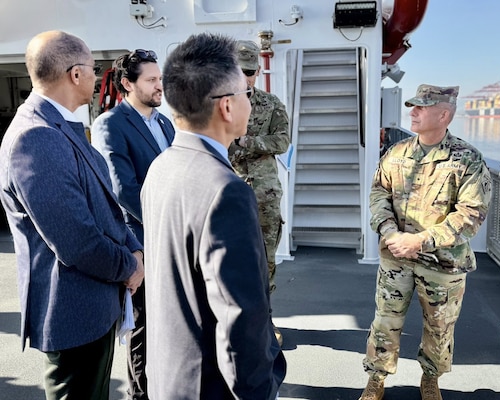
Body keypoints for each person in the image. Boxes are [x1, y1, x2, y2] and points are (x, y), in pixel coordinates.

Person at [141, 32, 287, 399]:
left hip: (171, 377)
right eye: (243, 95)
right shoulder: (226, 191)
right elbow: (239, 323)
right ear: (226, 106)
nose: (250, 104)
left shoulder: (160, 167)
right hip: (208, 385)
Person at [0, 30, 144, 400]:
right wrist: (129, 266)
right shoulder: (36, 137)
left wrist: (133, 247)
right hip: (73, 314)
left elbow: (104, 203)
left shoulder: (59, 125)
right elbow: (76, 240)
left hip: (92, 306)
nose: (98, 79)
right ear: (75, 74)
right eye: (94, 70)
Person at [358, 84, 492, 400]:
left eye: (421, 107)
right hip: (396, 257)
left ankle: (430, 379)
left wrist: (420, 241)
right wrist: (391, 233)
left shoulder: (467, 159)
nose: (413, 112)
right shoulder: (397, 153)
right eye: (413, 106)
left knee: (439, 327)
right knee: (385, 320)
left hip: (442, 263)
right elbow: (379, 194)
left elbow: (471, 213)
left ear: (443, 114)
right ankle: (376, 378)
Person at [91, 48, 175, 400]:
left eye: (161, 79)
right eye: (152, 80)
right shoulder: (110, 125)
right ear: (127, 83)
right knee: (143, 328)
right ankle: (140, 396)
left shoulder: (166, 123)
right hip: (141, 240)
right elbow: (123, 190)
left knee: (171, 326)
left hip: (171, 238)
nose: (160, 86)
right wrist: (168, 222)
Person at [228, 40, 290, 345]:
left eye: (250, 71)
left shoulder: (272, 104)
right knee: (232, 259)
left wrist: (246, 143)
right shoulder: (219, 103)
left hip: (264, 194)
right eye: (240, 71)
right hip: (228, 192)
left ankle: (265, 320)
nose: (246, 77)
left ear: (258, 70)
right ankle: (237, 321)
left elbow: (282, 142)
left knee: (266, 261)